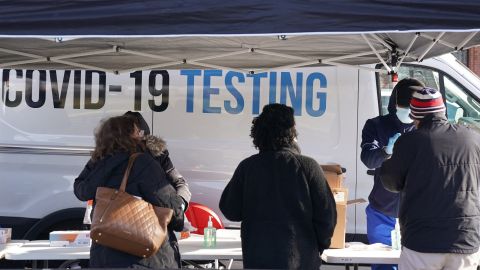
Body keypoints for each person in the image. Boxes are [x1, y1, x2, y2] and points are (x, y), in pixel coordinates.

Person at [219, 103, 337, 269]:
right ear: (292, 134)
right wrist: (319, 245)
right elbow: (327, 216)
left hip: (257, 258)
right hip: (300, 259)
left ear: (259, 134)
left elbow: (230, 210)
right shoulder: (308, 166)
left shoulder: (247, 167)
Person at [380, 87, 480, 270]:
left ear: (415, 117)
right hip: (466, 239)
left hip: (422, 242)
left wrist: (388, 160)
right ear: (443, 111)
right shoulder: (473, 138)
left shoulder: (409, 142)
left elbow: (390, 182)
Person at [74, 115, 185, 268]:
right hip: (144, 257)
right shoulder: (143, 162)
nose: (142, 135)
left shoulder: (99, 163)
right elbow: (171, 207)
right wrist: (181, 210)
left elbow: (81, 191)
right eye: (138, 131)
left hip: (104, 255)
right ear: (128, 136)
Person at [360, 78, 424, 270]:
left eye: (411, 109)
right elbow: (368, 159)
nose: (407, 113)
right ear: (394, 104)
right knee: (383, 267)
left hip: (416, 214)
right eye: (403, 107)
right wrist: (386, 151)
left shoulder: (425, 129)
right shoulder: (376, 125)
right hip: (382, 211)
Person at [123, 111, 191, 210]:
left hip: (153, 215)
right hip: (127, 214)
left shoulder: (158, 154)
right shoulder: (115, 156)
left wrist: (180, 204)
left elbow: (180, 183)